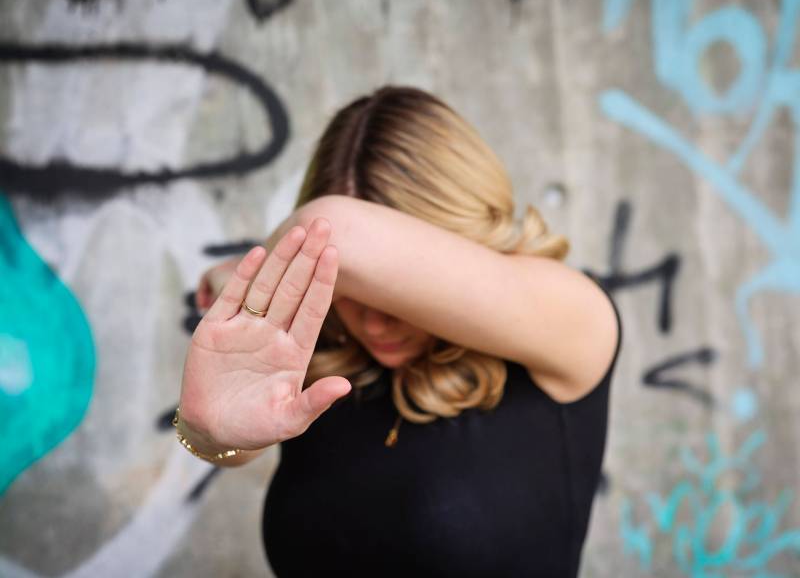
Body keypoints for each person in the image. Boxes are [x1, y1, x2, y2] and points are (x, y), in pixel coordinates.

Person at [175, 85, 623, 577]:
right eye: (348, 290)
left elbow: (333, 227)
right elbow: (233, 444)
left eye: (392, 290)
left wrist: (245, 272)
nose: (372, 320)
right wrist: (206, 433)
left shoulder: (573, 320)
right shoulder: (319, 348)